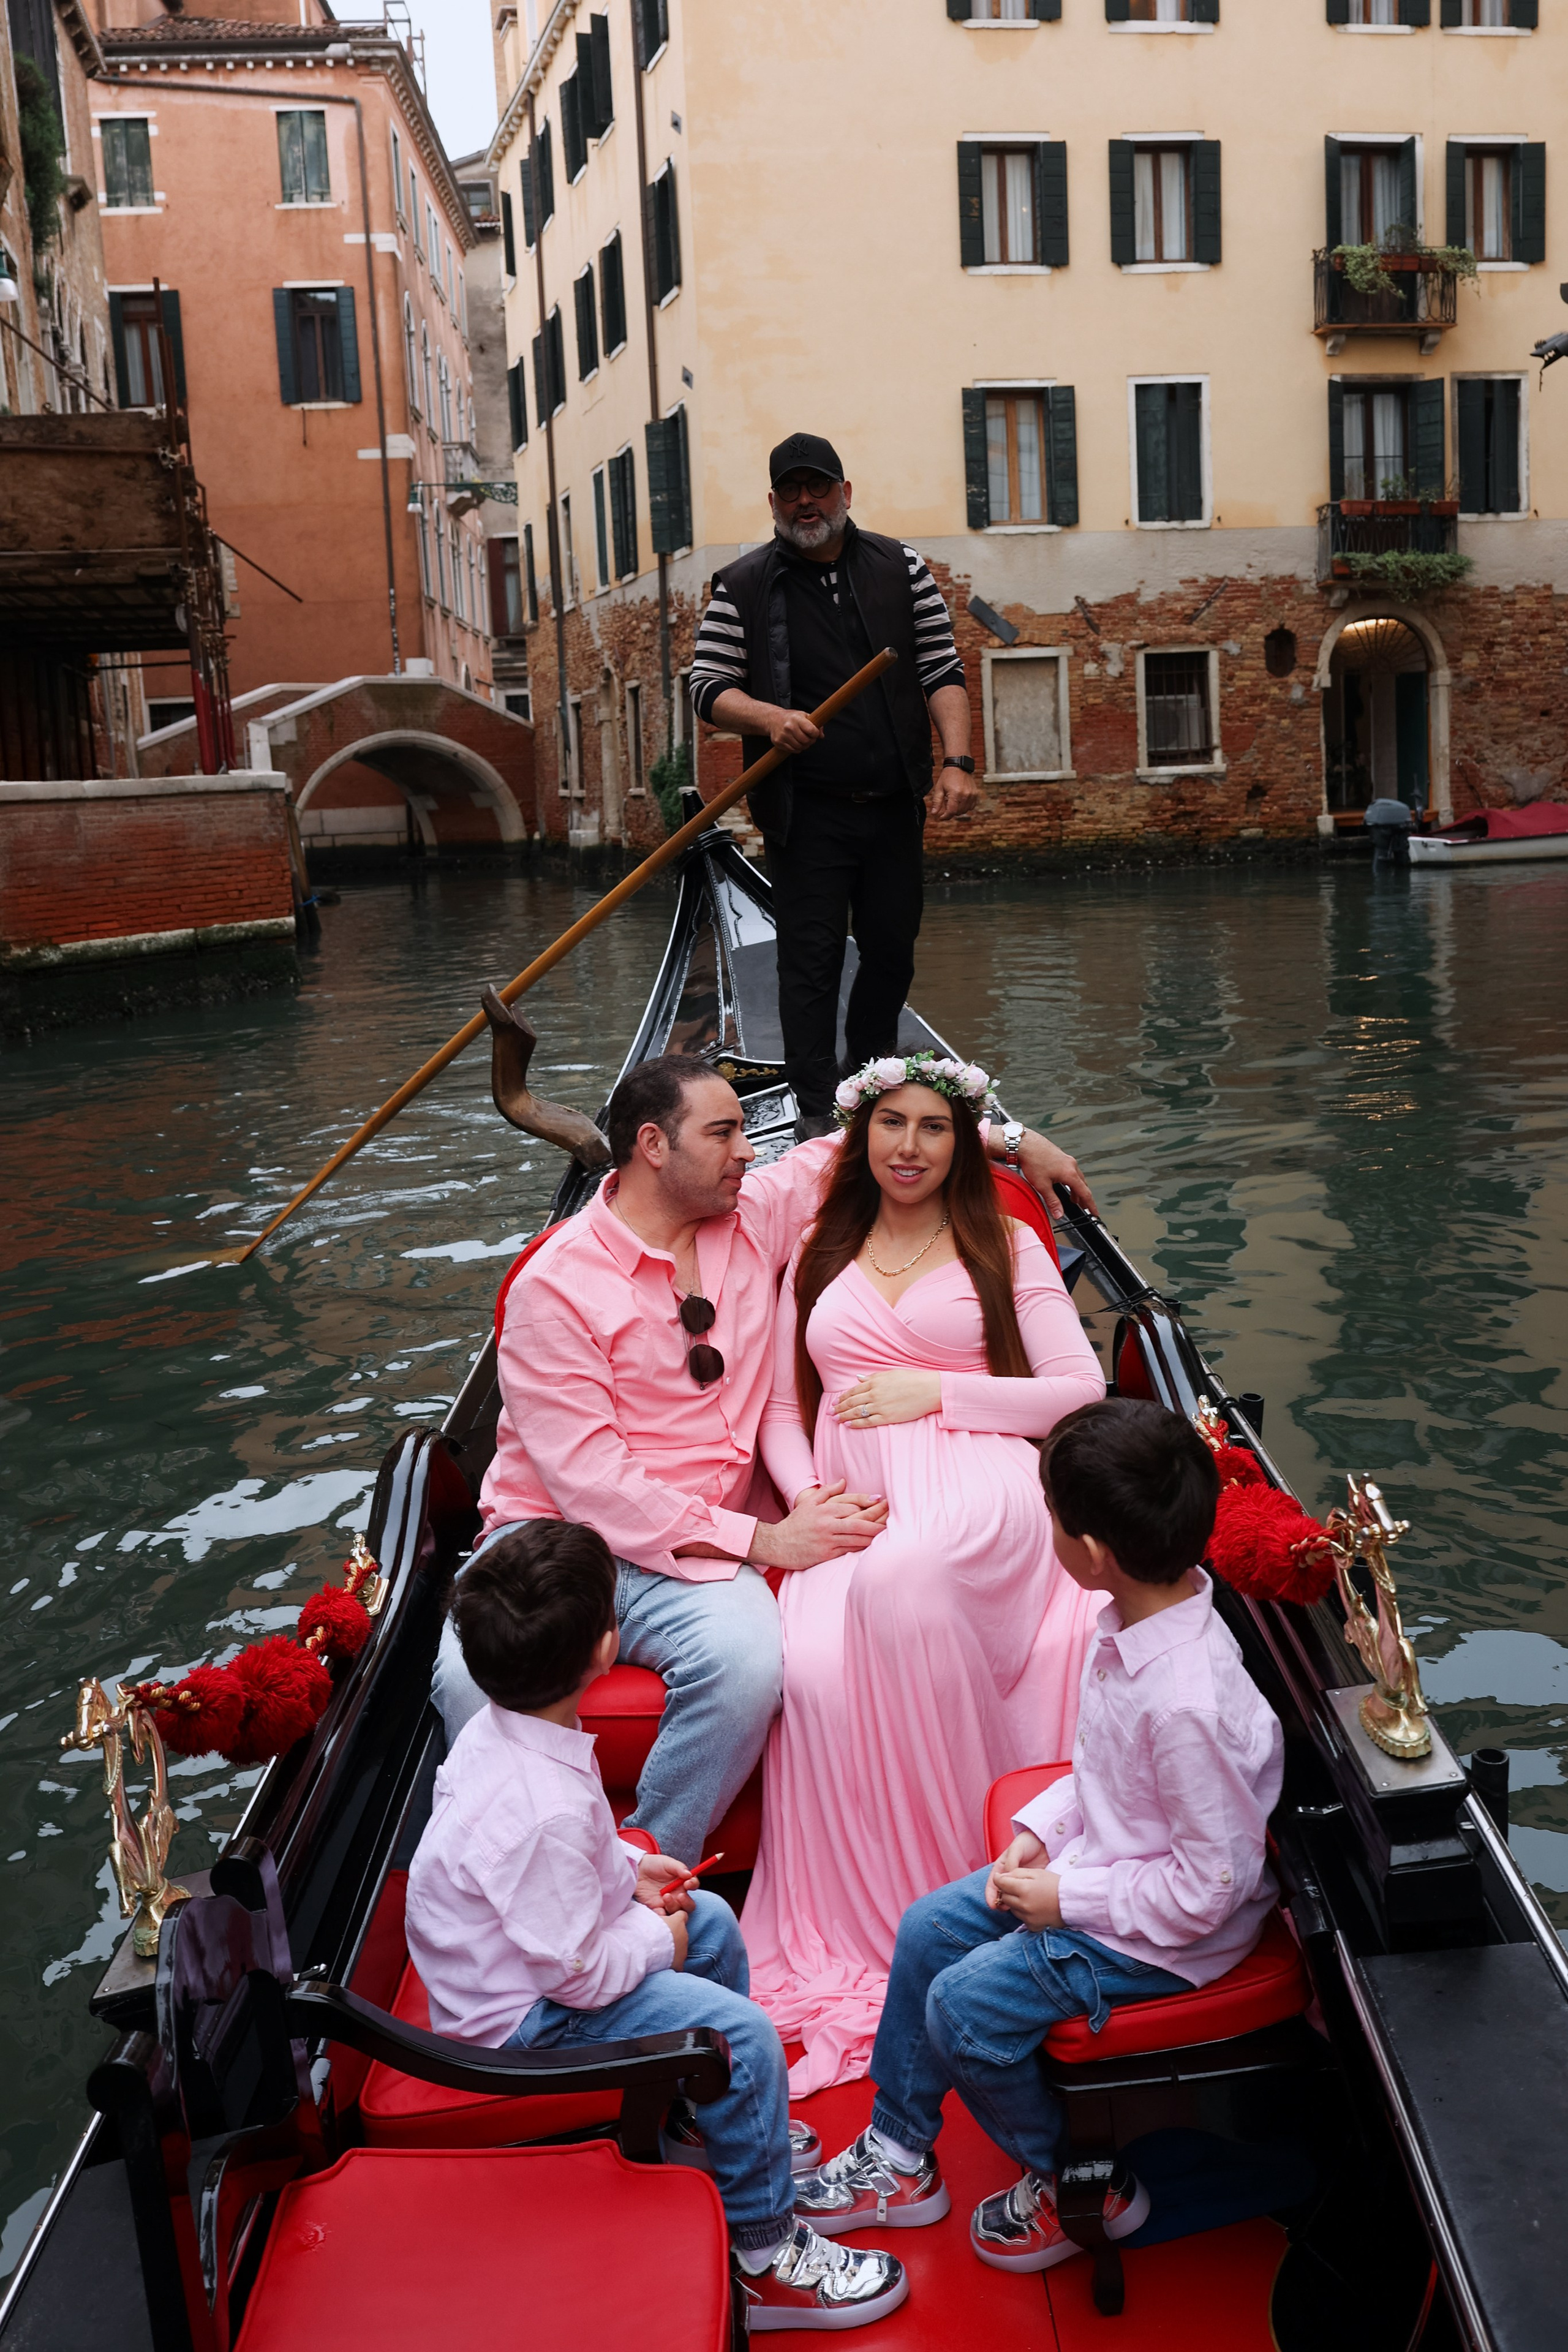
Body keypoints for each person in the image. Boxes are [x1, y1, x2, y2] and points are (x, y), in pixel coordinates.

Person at [434, 1051, 1095, 1868]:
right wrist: (770, 1541)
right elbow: (592, 1484)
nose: (751, 1151)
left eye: (747, 1131)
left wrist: (1014, 1138)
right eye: (726, 1133)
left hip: (698, 1557)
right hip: (558, 1540)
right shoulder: (555, 1287)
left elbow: (874, 1142)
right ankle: (509, 1867)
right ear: (652, 1145)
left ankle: (646, 1869)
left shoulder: (753, 1214)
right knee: (469, 1681)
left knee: (747, 1668)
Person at [791, 1398, 1285, 2277]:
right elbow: (1106, 1774)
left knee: (963, 2005)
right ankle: (900, 2154)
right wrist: (1040, 1831)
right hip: (1114, 1876)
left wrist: (1065, 1898)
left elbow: (1212, 1884)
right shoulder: (1138, 1625)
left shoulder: (1184, 1702)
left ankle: (1078, 2181)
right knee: (927, 1928)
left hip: (1171, 1936)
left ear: (1091, 1555)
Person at [405, 1520, 910, 2329]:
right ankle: (765, 2252)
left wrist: (629, 1871)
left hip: (524, 1960)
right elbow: (578, 1975)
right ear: (607, 1652)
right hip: (519, 2023)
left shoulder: (510, 1732)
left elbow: (570, 1863)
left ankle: (704, 2120)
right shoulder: (539, 1811)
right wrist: (656, 1940)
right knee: (741, 2030)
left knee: (709, 1921)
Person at [741, 1053, 1108, 2097]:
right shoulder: (820, 1244)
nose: (909, 1147)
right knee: (805, 1669)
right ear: (861, 1136)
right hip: (851, 1513)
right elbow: (777, 1409)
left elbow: (1076, 1393)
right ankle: (888, 1926)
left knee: (905, 1587)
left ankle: (966, 1909)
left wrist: (939, 1395)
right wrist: (809, 1504)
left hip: (983, 1491)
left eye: (934, 1128)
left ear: (962, 1141)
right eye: (889, 1124)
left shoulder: (1004, 1240)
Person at [690, 432, 979, 1139]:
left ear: (844, 493)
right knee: (809, 967)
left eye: (818, 486)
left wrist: (956, 763)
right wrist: (770, 717)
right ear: (774, 502)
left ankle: (870, 1076)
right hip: (806, 813)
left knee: (890, 952)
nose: (806, 501)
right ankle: (819, 1114)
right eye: (791, 490)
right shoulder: (744, 585)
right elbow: (707, 688)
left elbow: (940, 667)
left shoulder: (899, 567)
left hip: (892, 806)